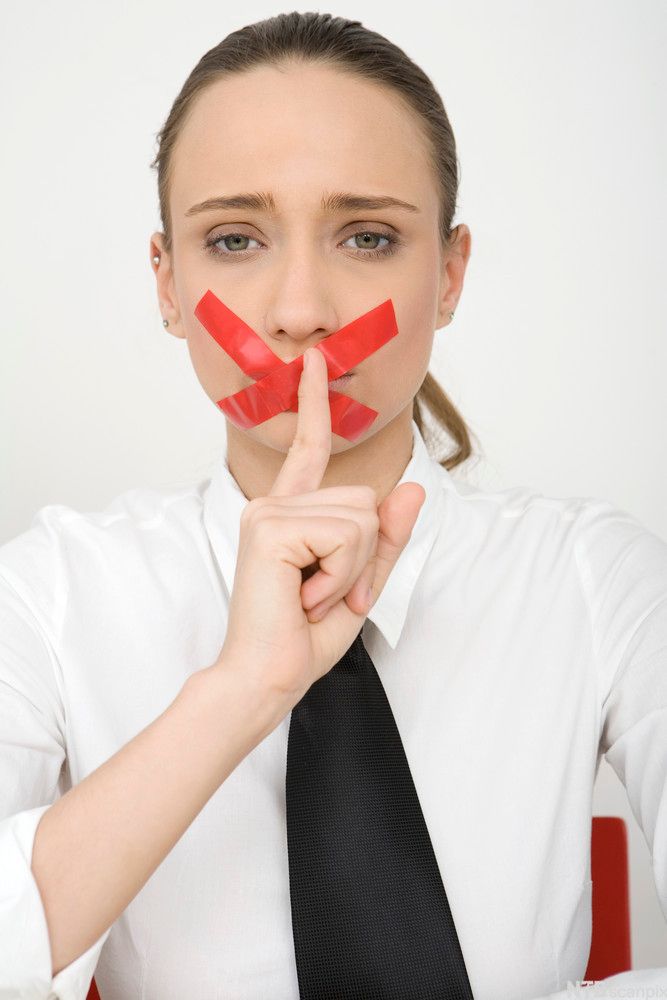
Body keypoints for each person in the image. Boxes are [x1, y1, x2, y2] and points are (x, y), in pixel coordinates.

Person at [1, 11, 665, 1000]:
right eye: (233, 237)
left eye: (367, 235)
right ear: (169, 283)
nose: (302, 310)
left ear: (446, 274)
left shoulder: (592, 577)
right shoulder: (52, 588)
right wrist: (240, 689)